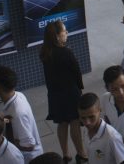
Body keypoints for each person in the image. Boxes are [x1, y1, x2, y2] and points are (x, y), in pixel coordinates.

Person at [40, 21, 86, 163]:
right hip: (70, 92)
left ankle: (65, 154)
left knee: (62, 123)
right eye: (64, 32)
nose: (66, 33)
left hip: (55, 94)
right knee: (74, 122)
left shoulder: (45, 53)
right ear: (57, 36)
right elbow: (77, 73)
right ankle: (82, 154)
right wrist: (80, 89)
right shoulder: (66, 52)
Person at [0, 67, 43, 163]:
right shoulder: (18, 95)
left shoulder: (18, 112)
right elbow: (12, 121)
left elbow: (29, 145)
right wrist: (4, 121)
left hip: (30, 160)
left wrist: (7, 143)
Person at [76, 93, 124, 164]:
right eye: (83, 118)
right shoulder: (86, 130)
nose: (87, 122)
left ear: (100, 110)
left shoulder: (112, 138)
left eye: (91, 117)